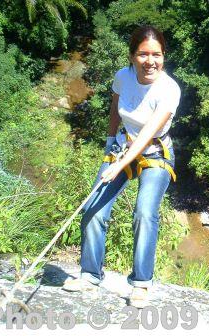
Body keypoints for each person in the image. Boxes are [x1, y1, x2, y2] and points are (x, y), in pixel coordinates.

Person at [62, 25, 181, 309]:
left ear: (164, 56)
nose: (150, 61)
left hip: (155, 152)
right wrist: (108, 144)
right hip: (123, 146)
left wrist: (119, 165)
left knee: (144, 212)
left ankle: (141, 284)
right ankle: (90, 276)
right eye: (143, 54)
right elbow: (115, 109)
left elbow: (149, 131)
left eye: (157, 54)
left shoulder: (169, 89)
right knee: (93, 209)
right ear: (131, 56)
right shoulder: (122, 77)